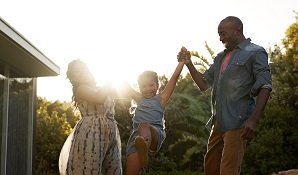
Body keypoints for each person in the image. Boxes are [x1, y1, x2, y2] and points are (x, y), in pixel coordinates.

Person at [178, 16, 272, 175]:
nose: (220, 38)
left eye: (223, 33)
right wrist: (188, 63)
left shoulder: (256, 52)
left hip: (238, 122)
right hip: (218, 123)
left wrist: (253, 119)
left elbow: (265, 85)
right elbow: (203, 84)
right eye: (219, 34)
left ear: (237, 31)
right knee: (211, 169)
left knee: (228, 170)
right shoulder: (220, 57)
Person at [124, 51, 187, 175]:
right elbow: (125, 86)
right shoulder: (139, 98)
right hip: (137, 139)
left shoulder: (161, 99)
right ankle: (141, 151)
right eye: (143, 86)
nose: (147, 89)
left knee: (144, 125)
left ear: (157, 85)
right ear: (139, 88)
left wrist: (182, 62)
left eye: (151, 85)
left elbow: (174, 78)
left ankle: (144, 147)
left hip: (154, 135)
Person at [59, 59, 123, 175]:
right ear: (74, 78)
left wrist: (143, 96)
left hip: (111, 133)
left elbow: (123, 93)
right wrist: (111, 75)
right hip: (91, 132)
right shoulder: (81, 89)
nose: (82, 71)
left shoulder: (101, 89)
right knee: (90, 170)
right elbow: (98, 98)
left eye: (83, 67)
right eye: (77, 71)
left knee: (113, 169)